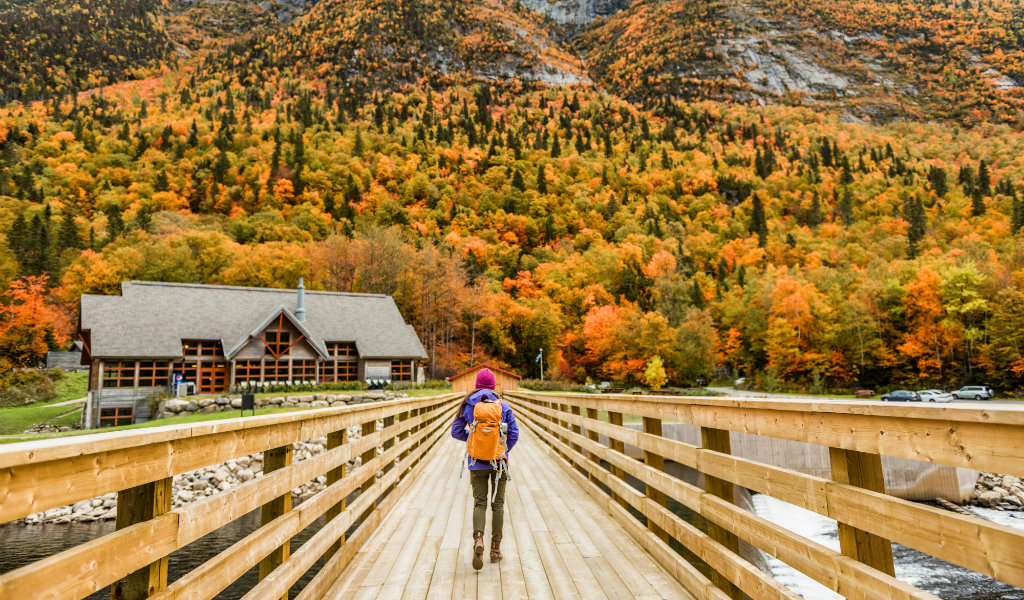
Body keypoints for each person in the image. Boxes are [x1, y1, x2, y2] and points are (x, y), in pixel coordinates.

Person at [450, 368, 519, 570]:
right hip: (499, 462)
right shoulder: (503, 406)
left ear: (476, 385)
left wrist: (473, 442)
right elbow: (514, 433)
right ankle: (495, 549)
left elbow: (455, 431)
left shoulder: (468, 404)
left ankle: (478, 539)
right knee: (498, 504)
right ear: (494, 385)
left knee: (479, 502)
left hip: (476, 461)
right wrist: (502, 449)